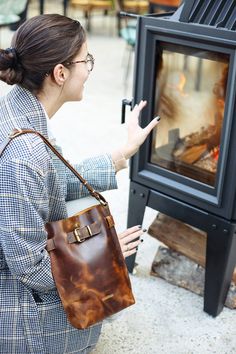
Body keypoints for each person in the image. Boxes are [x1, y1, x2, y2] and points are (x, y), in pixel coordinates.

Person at [0, 14, 159, 354]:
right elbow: (29, 268)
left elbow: (51, 179)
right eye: (86, 60)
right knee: (109, 289)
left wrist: (121, 153)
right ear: (60, 73)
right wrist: (99, 258)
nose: (88, 69)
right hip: (18, 309)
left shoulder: (16, 110)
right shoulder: (22, 154)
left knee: (86, 217)